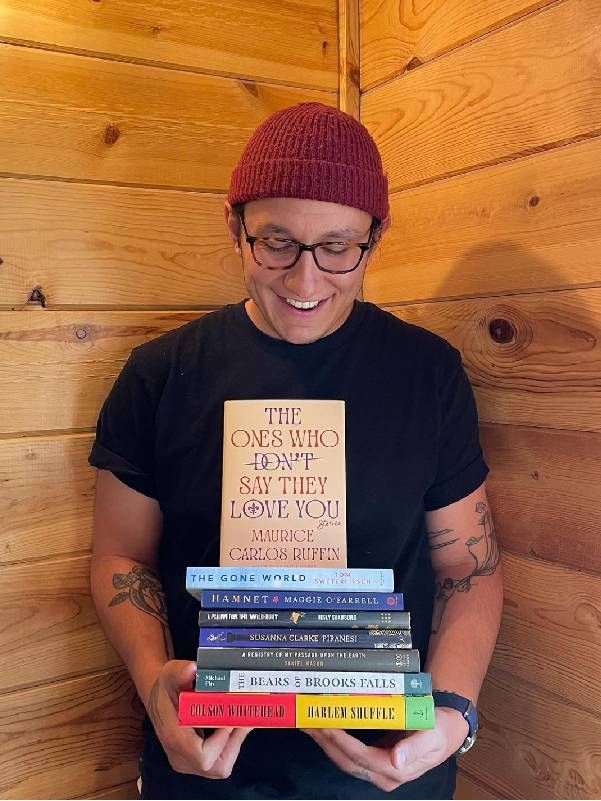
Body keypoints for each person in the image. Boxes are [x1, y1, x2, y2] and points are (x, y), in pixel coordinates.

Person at [89, 102, 503, 800]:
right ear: (234, 224)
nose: (305, 281)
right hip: (201, 764)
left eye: (338, 247)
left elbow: (468, 564)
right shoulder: (159, 375)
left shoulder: (426, 373)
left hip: (388, 769)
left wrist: (453, 712)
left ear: (375, 236)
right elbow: (120, 554)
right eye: (276, 242)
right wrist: (152, 678)